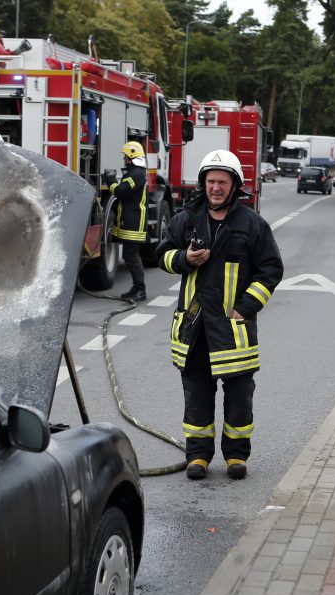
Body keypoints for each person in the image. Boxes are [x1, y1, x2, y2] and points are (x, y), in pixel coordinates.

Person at [155, 149, 283, 480]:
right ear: (203, 184)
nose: (216, 187)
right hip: (195, 328)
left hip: (233, 328)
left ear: (234, 185)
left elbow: (271, 269)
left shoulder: (251, 224)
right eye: (211, 181)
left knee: (240, 395)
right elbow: (162, 256)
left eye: (222, 182)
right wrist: (184, 258)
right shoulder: (185, 220)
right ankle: (198, 455)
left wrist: (245, 307)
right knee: (196, 393)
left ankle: (236, 456)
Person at [106, 141, 148, 301]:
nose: (124, 159)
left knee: (132, 256)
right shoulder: (136, 172)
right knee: (130, 255)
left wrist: (110, 180)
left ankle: (140, 290)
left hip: (134, 221)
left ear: (131, 157)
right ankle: (136, 288)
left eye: (125, 156)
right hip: (131, 219)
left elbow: (121, 192)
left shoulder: (136, 174)